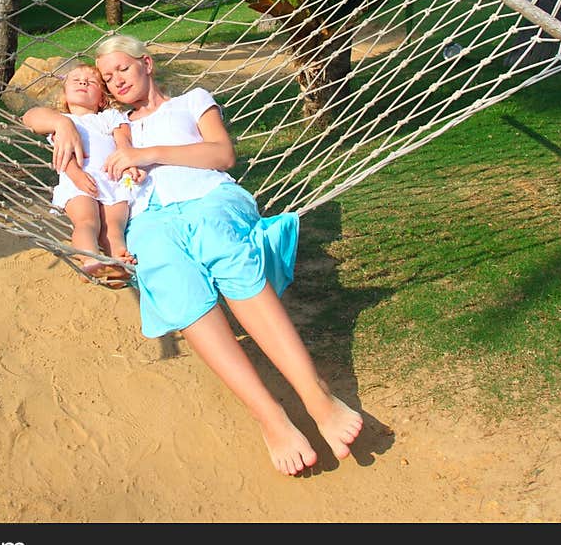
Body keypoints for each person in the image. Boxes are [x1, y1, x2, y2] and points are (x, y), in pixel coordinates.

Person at [45, 33, 364, 477]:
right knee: (168, 277)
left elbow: (222, 154)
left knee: (220, 243)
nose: (115, 80)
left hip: (209, 197)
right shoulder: (112, 124)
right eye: (106, 76)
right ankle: (271, 419)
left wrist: (147, 154)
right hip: (150, 219)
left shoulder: (191, 101)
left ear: (147, 63)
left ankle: (316, 396)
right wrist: (63, 126)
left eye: (122, 68)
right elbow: (70, 143)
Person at [22, 61, 142, 285]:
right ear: (65, 96)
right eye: (76, 80)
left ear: (102, 99)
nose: (83, 82)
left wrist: (130, 163)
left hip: (114, 179)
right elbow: (62, 153)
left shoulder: (109, 117)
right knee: (86, 222)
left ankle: (119, 262)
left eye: (91, 81)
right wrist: (76, 175)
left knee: (114, 226)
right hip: (79, 182)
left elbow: (124, 142)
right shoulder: (63, 123)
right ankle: (89, 260)